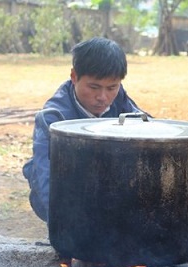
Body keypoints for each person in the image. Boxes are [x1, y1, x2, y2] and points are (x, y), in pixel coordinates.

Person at [23, 37, 147, 223]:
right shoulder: (53, 117)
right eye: (94, 87)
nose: (103, 97)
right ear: (74, 77)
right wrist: (63, 226)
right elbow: (44, 173)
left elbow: (149, 128)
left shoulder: (120, 98)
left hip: (107, 184)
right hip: (70, 189)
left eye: (112, 87)